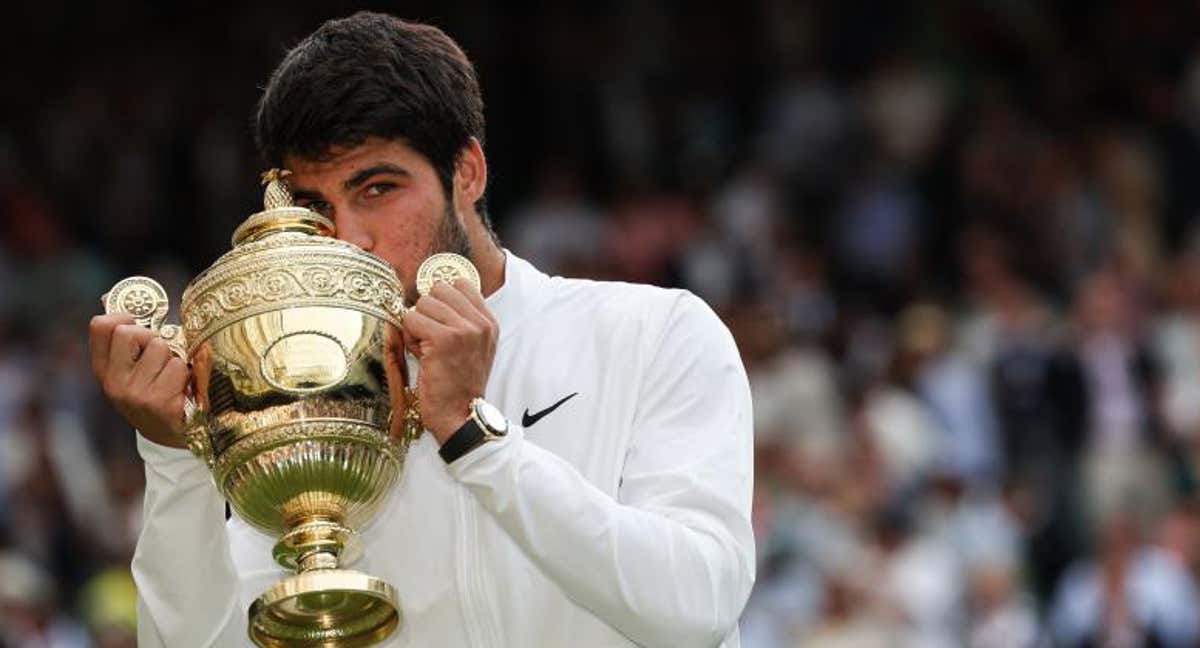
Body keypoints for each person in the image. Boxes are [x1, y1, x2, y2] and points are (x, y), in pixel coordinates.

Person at [86, 12, 755, 648]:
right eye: (315, 206)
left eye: (377, 188)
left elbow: (696, 608)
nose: (348, 237)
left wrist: (474, 437)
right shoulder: (299, 396)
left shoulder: (653, 333)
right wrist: (175, 458)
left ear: (467, 171)